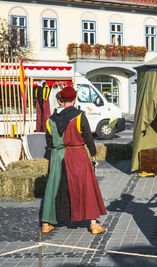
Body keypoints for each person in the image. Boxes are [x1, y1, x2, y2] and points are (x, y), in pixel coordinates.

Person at [41, 86, 107, 234]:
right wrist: (94, 155)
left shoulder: (50, 119)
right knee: (86, 187)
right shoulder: (79, 116)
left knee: (53, 187)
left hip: (57, 155)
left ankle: (46, 223)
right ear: (74, 99)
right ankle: (93, 224)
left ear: (61, 100)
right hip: (77, 154)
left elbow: (49, 142)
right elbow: (88, 138)